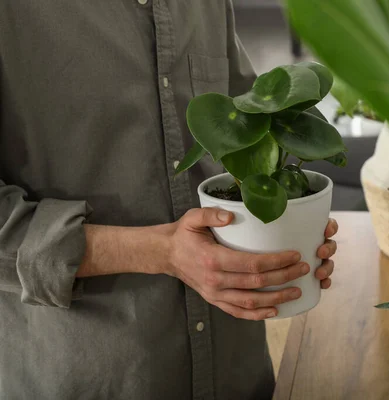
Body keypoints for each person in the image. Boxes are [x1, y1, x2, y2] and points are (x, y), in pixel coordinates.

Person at [0, 1, 338, 399]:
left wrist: (292, 224)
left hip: (236, 372)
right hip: (97, 376)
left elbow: (246, 119)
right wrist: (162, 252)